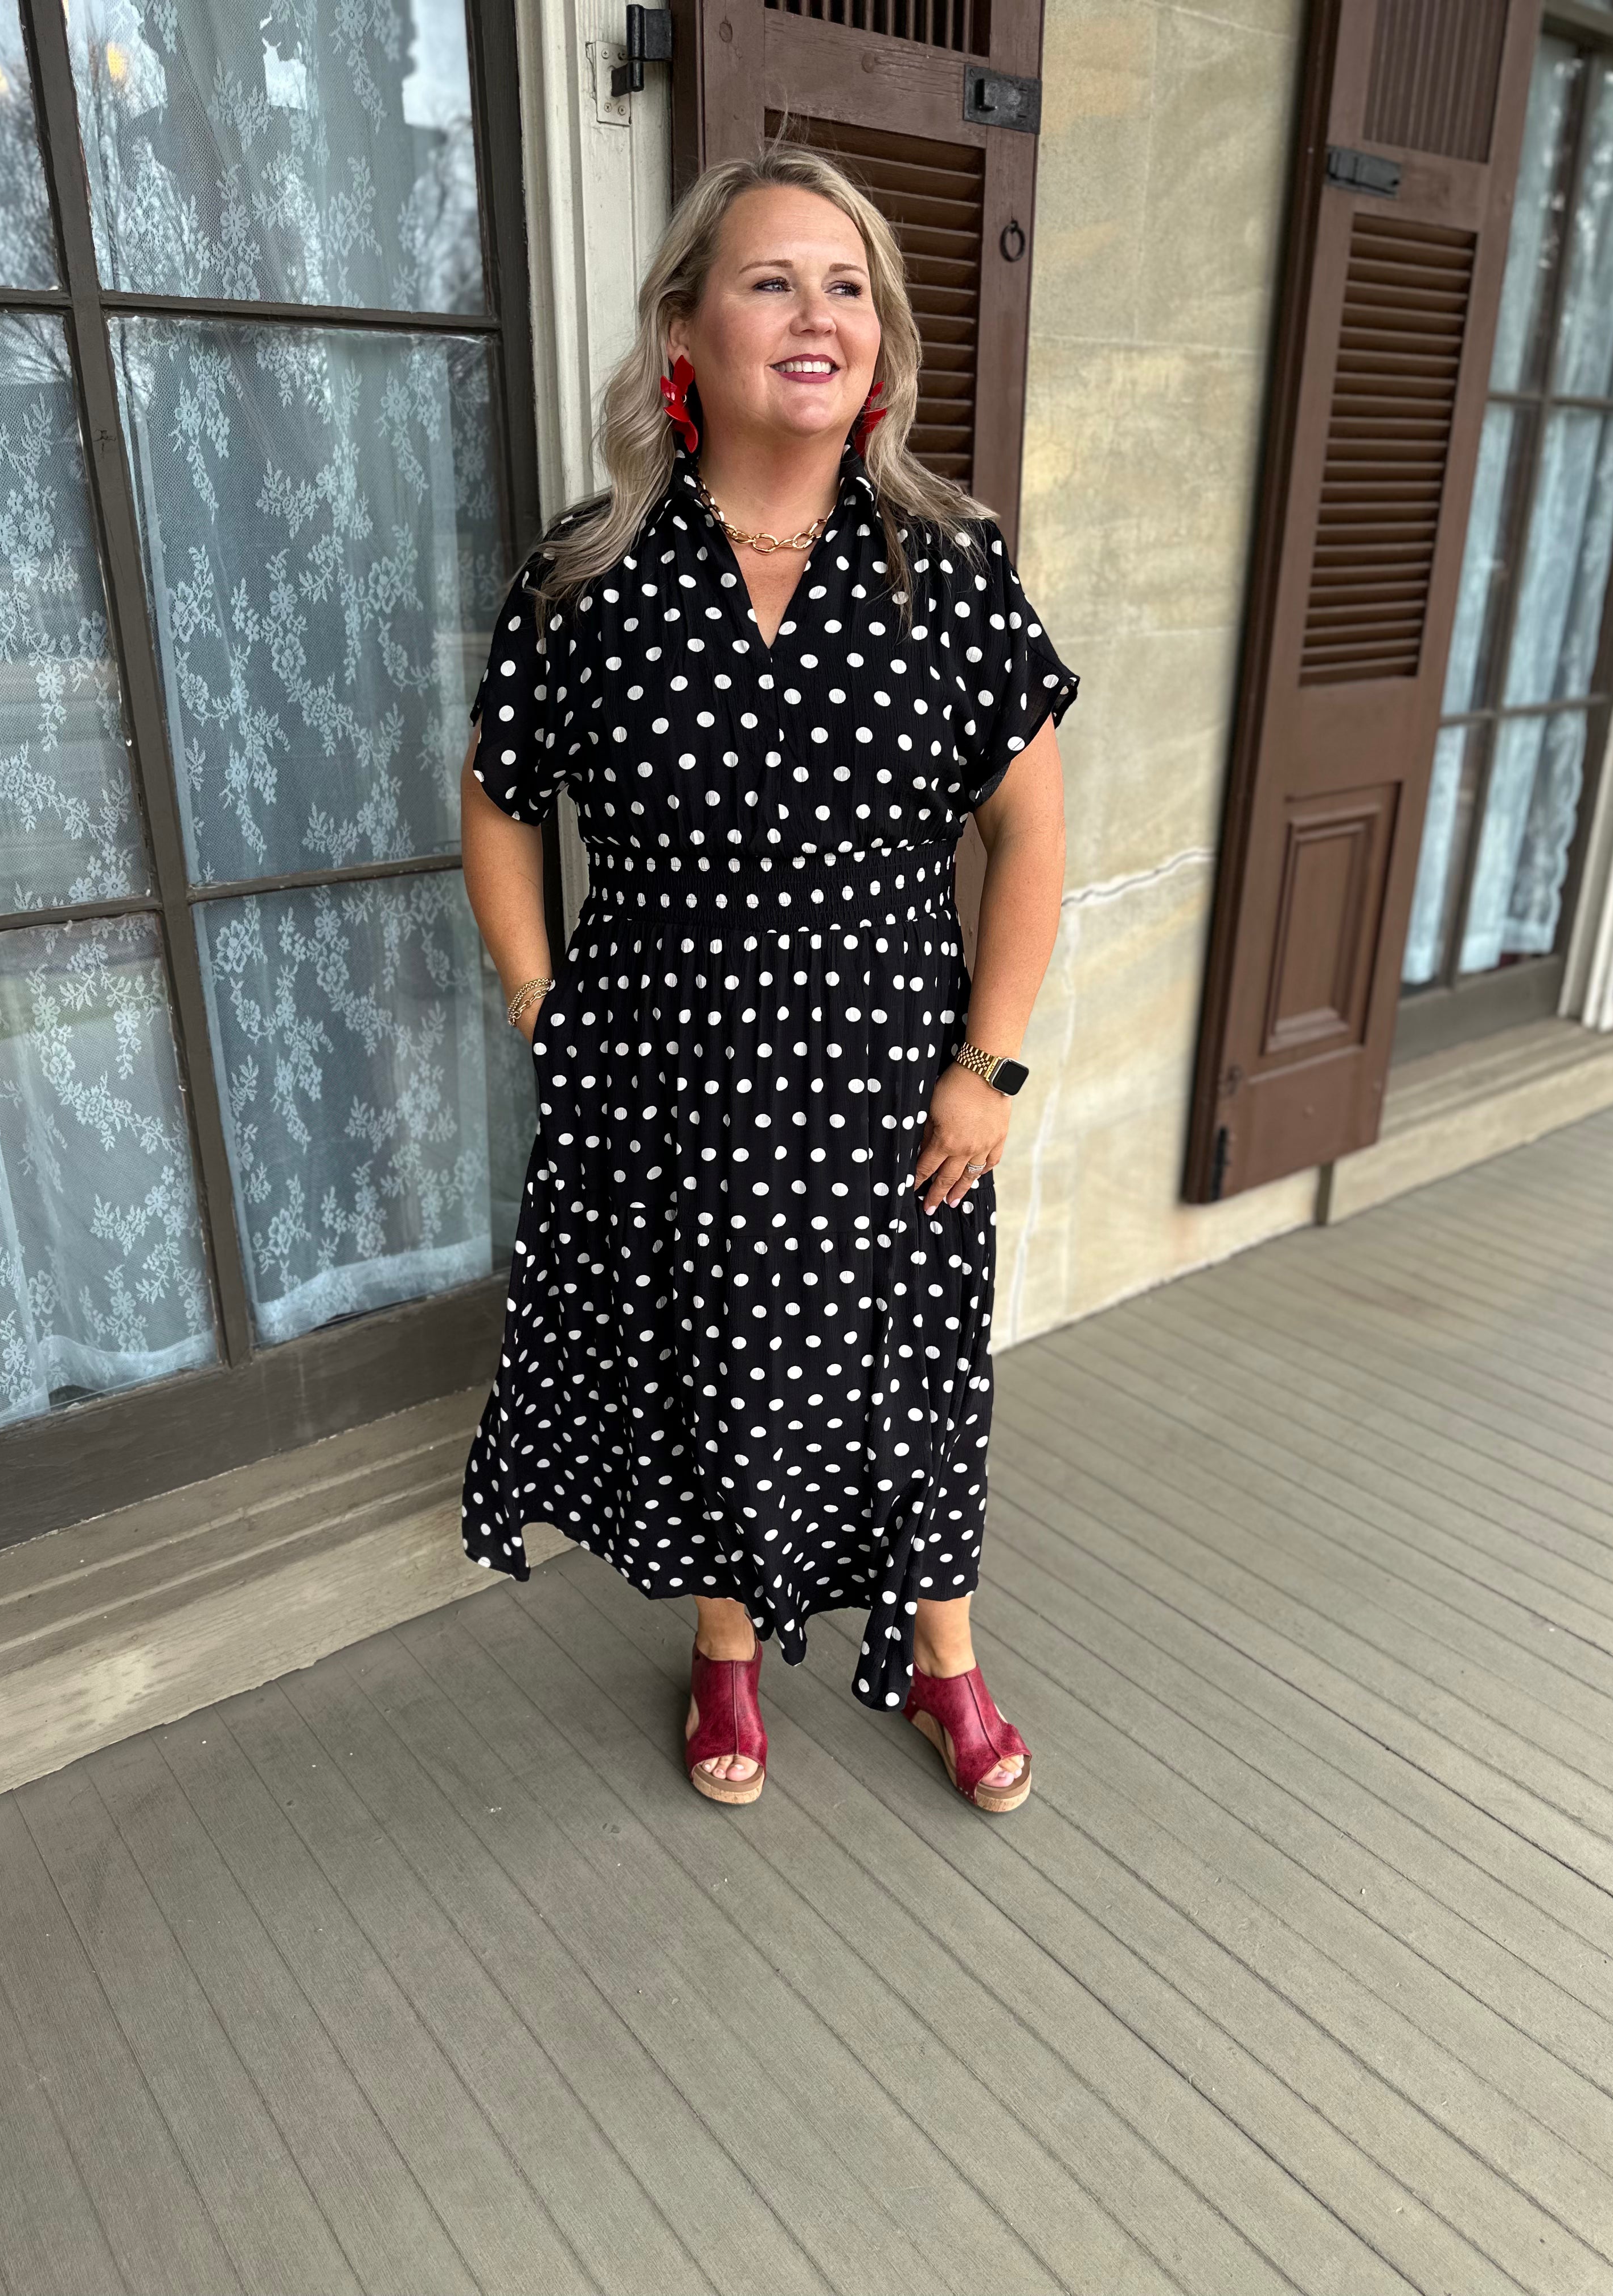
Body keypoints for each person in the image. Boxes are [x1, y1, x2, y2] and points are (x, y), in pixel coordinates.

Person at [458, 144, 1074, 1815]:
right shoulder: (586, 578)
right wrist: (541, 998)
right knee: (714, 1369)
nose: (820, 314)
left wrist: (988, 1068)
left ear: (882, 341)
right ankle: (726, 1645)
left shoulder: (949, 568)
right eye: (773, 279)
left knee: (906, 1380)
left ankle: (944, 1659)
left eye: (849, 286)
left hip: (892, 1090)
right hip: (668, 1090)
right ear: (684, 327)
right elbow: (502, 800)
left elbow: (1029, 830)